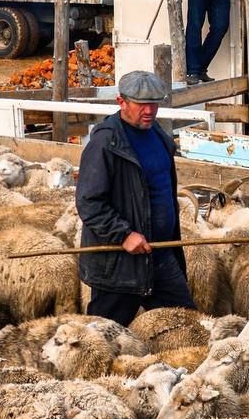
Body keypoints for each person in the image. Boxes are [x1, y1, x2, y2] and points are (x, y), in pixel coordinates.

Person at [75, 70, 196, 326]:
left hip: (161, 256)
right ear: (122, 102)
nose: (150, 110)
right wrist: (123, 234)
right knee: (102, 337)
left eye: (154, 103)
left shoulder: (159, 136)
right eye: (142, 104)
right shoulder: (106, 143)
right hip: (120, 266)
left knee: (186, 326)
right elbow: (89, 201)